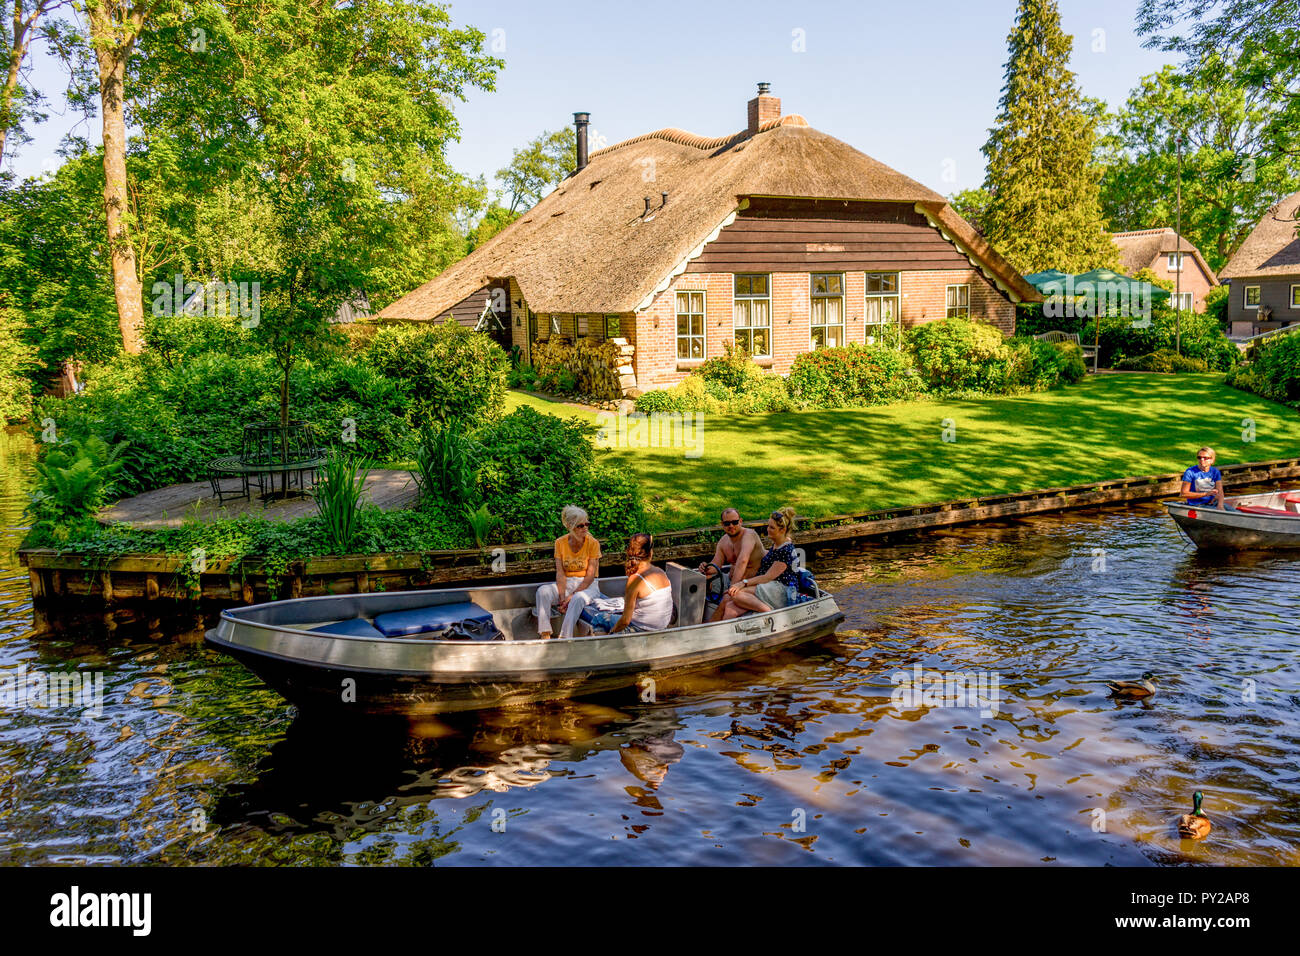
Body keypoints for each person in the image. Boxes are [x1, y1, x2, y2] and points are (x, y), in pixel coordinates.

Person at [580, 532, 674, 634]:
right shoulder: (660, 572)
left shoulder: (635, 579)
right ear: (650, 553)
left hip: (641, 628)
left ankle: (606, 644)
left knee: (599, 618)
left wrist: (612, 632)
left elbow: (625, 621)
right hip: (661, 626)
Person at [535, 505, 603, 639]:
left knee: (577, 598)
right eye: (580, 526)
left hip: (588, 586)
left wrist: (571, 596)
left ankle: (565, 637)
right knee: (542, 591)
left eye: (587, 524)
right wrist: (562, 598)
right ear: (570, 527)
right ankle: (545, 633)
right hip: (567, 584)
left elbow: (590, 576)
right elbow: (560, 573)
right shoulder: (560, 543)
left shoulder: (593, 543)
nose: (585, 528)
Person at [723, 506, 800, 618]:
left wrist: (742, 583)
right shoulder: (778, 543)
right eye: (768, 526)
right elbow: (768, 557)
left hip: (782, 591)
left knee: (736, 594)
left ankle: (768, 612)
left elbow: (767, 577)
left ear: (782, 530)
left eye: (772, 528)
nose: (768, 529)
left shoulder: (786, 550)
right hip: (769, 587)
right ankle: (724, 634)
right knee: (730, 608)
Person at [698, 508, 762, 621]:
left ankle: (710, 629)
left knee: (727, 599)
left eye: (735, 522)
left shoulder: (749, 535)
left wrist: (733, 587)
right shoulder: (723, 542)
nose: (731, 526)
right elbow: (715, 566)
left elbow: (743, 561)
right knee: (700, 583)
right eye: (727, 523)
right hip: (731, 580)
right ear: (722, 524)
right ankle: (693, 619)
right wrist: (705, 568)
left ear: (741, 521)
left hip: (749, 583)